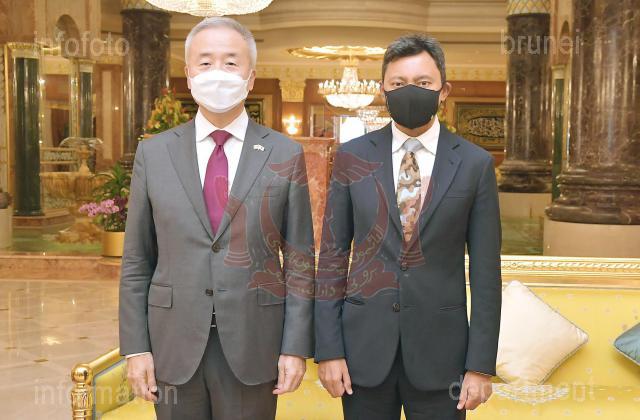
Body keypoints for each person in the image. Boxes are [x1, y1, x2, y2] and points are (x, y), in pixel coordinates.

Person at [119, 17, 315, 420]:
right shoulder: (154, 154)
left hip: (254, 340)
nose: (218, 73)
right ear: (189, 74)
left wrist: (295, 347)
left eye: (231, 62)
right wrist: (136, 347)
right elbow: (137, 260)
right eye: (205, 62)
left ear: (250, 76)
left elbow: (299, 262)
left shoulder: (284, 154)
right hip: (172, 340)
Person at [314, 34, 502, 420]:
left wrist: (480, 365)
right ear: (383, 90)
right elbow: (332, 258)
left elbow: (486, 273)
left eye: (423, 82)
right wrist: (328, 350)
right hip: (363, 351)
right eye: (398, 83)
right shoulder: (351, 157)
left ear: (443, 91)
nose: (410, 91)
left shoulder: (475, 164)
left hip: (443, 356)